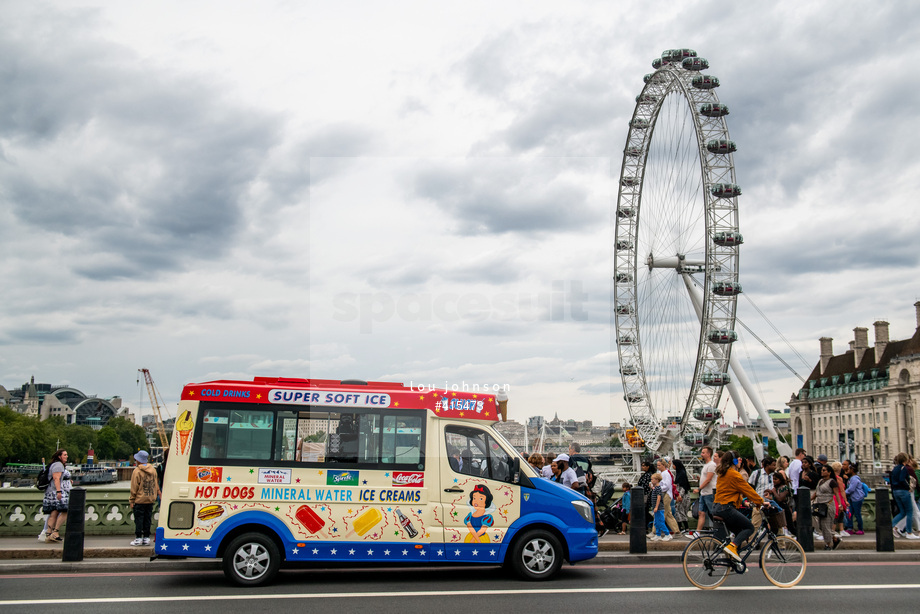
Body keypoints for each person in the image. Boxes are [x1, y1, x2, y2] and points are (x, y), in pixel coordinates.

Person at [712, 450, 764, 562]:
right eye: (739, 459)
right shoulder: (734, 474)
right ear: (734, 461)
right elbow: (747, 489)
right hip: (726, 508)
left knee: (739, 532)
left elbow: (729, 491)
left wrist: (742, 502)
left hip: (717, 508)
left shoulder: (723, 473)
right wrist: (761, 502)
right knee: (749, 527)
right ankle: (731, 548)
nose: (741, 461)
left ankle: (734, 560)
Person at [129, 449, 160, 546]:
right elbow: (155, 484)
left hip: (140, 499)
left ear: (138, 460)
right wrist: (156, 495)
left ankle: (138, 538)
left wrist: (132, 500)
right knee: (147, 519)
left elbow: (134, 487)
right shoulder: (153, 470)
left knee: (139, 519)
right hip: (150, 498)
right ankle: (146, 537)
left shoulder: (137, 471)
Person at [41, 449, 71, 543]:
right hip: (55, 492)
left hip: (50, 491)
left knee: (54, 513)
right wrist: (59, 491)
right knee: (65, 511)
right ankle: (55, 532)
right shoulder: (58, 465)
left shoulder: (53, 464)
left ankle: (48, 534)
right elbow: (56, 479)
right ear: (59, 456)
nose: (66, 456)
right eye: (65, 455)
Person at [812, 464, 841, 549]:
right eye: (822, 470)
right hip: (820, 505)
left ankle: (828, 544)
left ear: (829, 472)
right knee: (821, 525)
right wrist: (809, 499)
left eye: (824, 470)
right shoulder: (820, 481)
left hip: (828, 505)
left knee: (826, 525)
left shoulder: (832, 482)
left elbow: (836, 494)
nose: (822, 471)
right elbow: (816, 493)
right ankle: (835, 538)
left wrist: (839, 505)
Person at [891, 452, 919, 539]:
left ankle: (891, 526)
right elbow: (902, 479)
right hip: (903, 492)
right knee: (909, 512)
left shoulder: (895, 469)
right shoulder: (904, 468)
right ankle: (909, 532)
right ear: (905, 459)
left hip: (896, 492)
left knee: (902, 512)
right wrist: (908, 488)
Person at [691, 446, 717, 538]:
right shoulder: (706, 465)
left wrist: (699, 488)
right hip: (704, 493)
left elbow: (709, 479)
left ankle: (720, 530)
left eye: (703, 452)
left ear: (708, 454)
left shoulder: (712, 465)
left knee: (713, 513)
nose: (701, 454)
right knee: (701, 513)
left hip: (709, 493)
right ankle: (697, 533)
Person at [656, 458, 679, 534]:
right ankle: (676, 531)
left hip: (666, 495)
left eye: (659, 465)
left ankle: (655, 532)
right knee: (668, 515)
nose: (658, 467)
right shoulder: (663, 473)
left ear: (663, 465)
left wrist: (657, 488)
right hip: (664, 494)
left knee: (660, 513)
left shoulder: (666, 474)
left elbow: (667, 485)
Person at [672, 458, 693, 535]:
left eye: (673, 465)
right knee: (680, 511)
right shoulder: (681, 473)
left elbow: (682, 486)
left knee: (680, 511)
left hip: (682, 495)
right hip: (683, 494)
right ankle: (683, 527)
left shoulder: (681, 474)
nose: (673, 466)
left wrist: (679, 496)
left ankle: (684, 527)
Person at [844, 462, 866, 535]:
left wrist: (843, 493)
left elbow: (851, 489)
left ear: (852, 470)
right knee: (849, 513)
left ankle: (860, 529)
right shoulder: (852, 478)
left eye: (849, 469)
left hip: (857, 498)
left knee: (857, 514)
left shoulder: (854, 479)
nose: (847, 471)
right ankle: (850, 528)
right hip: (852, 498)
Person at [649, 472, 671, 541]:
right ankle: (658, 535)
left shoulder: (658, 488)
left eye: (652, 479)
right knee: (656, 522)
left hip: (659, 508)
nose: (651, 481)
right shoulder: (656, 488)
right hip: (657, 508)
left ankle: (667, 534)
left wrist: (656, 507)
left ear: (657, 480)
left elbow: (658, 498)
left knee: (660, 521)